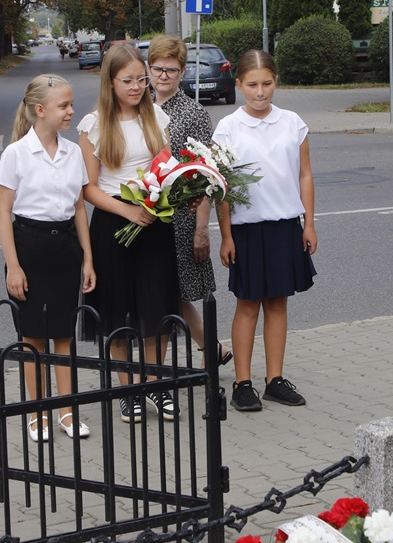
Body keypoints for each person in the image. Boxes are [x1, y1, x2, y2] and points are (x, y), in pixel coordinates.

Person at [78, 44, 180, 423]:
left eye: (142, 79)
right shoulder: (93, 125)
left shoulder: (156, 116)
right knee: (118, 311)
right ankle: (127, 390)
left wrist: (163, 200)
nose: (137, 87)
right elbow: (88, 187)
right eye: (128, 80)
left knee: (156, 308)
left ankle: (156, 385)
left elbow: (166, 167)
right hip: (115, 222)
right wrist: (128, 211)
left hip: (154, 221)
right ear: (110, 82)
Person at [0, 73, 96, 441]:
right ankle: (37, 413)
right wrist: (14, 266)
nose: (71, 111)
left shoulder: (72, 153)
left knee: (64, 335)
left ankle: (67, 413)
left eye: (71, 104)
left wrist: (87, 258)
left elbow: (79, 207)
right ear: (40, 110)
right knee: (33, 337)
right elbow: (2, 211)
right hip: (29, 248)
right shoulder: (16, 154)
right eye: (64, 106)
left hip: (65, 248)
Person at [214, 50, 317, 412]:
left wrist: (309, 222)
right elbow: (221, 185)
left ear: (277, 82)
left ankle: (275, 379)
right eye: (253, 85)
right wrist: (226, 234)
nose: (260, 92)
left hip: (285, 225)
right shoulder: (227, 128)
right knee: (247, 305)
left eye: (267, 84)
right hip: (245, 229)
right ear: (239, 84)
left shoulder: (293, 123)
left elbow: (304, 174)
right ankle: (243, 382)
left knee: (278, 303)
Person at [146, 35, 232, 367]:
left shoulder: (194, 113)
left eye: (171, 69)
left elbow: (205, 176)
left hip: (180, 216)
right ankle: (213, 350)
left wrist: (201, 229)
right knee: (164, 293)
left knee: (173, 294)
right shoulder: (139, 106)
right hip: (146, 212)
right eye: (158, 68)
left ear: (183, 72)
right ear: (149, 69)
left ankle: (157, 372)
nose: (164, 76)